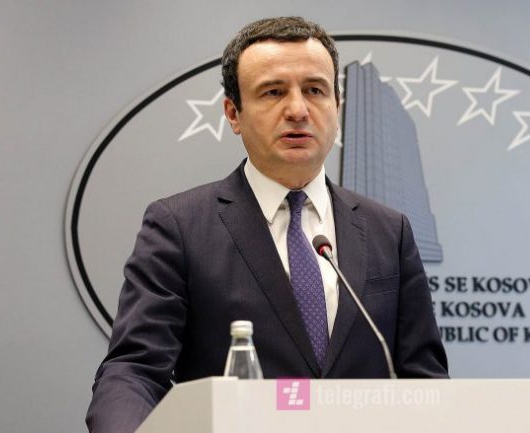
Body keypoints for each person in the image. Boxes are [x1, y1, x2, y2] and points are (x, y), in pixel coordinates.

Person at [86, 16, 448, 433]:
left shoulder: (389, 230)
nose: (297, 110)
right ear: (233, 113)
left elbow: (424, 379)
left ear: (337, 106)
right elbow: (135, 370)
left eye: (315, 90)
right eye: (273, 92)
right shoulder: (179, 227)